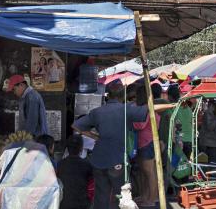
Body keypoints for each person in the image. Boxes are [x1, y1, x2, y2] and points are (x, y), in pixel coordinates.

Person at [72, 81, 173, 209]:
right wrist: (171, 105)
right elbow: (150, 109)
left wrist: (95, 136)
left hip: (98, 159)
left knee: (101, 194)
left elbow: (76, 125)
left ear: (107, 96)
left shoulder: (97, 111)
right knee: (120, 195)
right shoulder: (127, 109)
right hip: (117, 159)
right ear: (122, 96)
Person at [57, 135, 93, 209]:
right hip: (82, 204)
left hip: (63, 205)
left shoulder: (60, 164)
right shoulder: (87, 165)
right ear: (81, 149)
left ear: (67, 148)